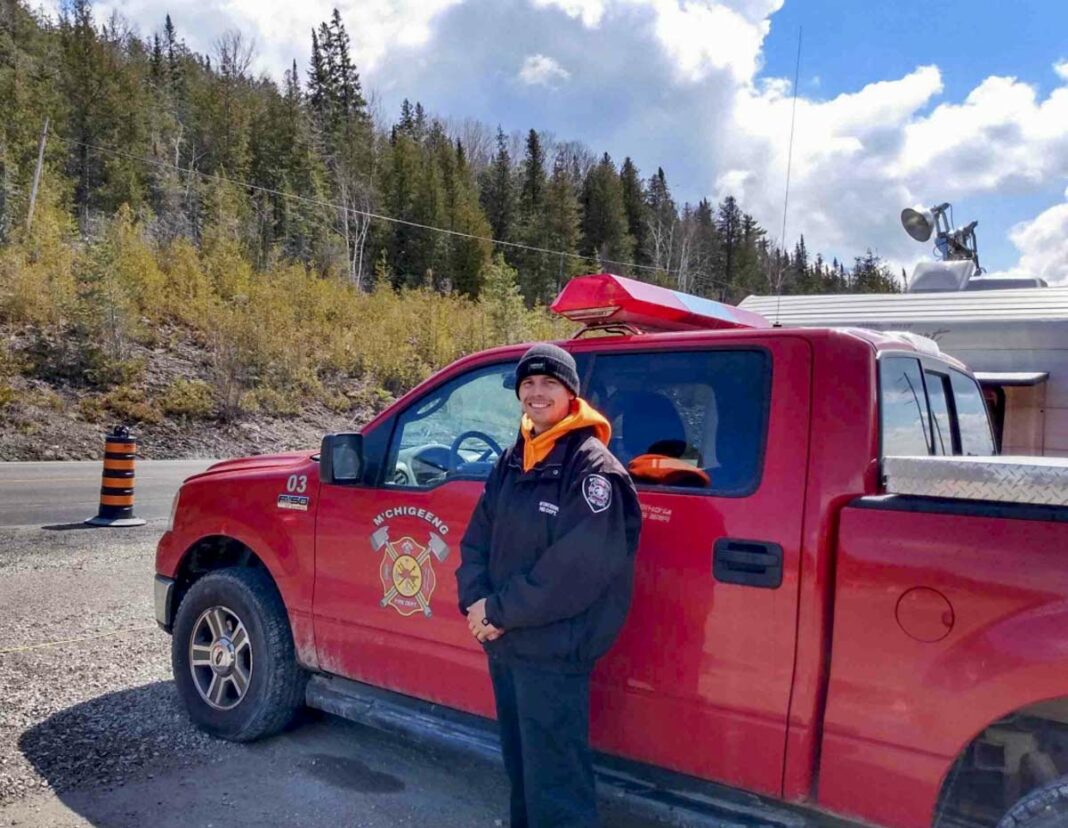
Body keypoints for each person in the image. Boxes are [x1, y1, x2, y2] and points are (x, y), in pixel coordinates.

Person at [456, 342, 642, 828]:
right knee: (522, 773)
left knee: (556, 786)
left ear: (570, 394)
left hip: (554, 654)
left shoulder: (592, 469)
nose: (537, 394)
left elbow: (573, 573)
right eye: (528, 384)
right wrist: (475, 602)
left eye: (549, 384)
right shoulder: (516, 457)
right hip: (509, 645)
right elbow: (477, 536)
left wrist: (496, 611)